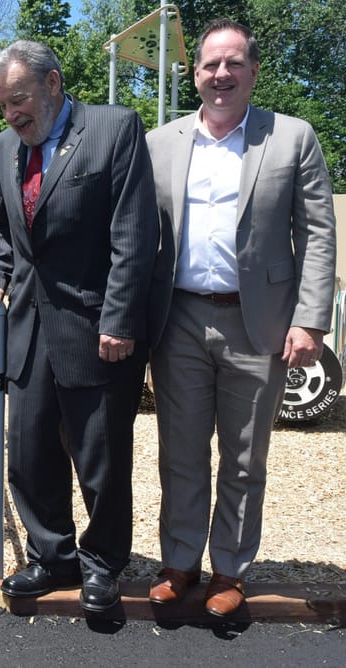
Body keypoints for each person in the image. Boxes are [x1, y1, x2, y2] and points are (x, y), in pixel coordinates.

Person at [144, 18, 337, 617]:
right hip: (177, 318)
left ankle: (229, 569)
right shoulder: (161, 142)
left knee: (246, 454)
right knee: (179, 450)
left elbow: (319, 235)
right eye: (210, 65)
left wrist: (310, 320)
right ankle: (180, 561)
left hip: (261, 324)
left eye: (233, 64)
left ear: (253, 71)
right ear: (194, 73)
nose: (221, 74)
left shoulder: (292, 138)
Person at [0, 41, 159, 613]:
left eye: (19, 100)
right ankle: (52, 558)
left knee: (100, 458)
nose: (11, 115)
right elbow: (5, 225)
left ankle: (102, 565)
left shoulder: (115, 128)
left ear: (53, 84)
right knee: (27, 455)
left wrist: (121, 318)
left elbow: (133, 231)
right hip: (27, 328)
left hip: (98, 327)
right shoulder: (7, 146)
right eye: (3, 105)